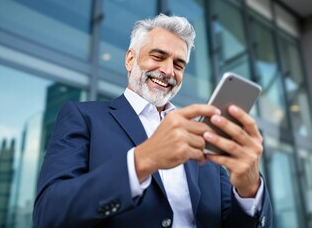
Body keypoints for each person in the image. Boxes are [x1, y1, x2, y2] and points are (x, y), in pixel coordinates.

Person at [33, 14, 272, 228]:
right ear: (130, 59)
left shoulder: (199, 138)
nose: (168, 71)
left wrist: (249, 190)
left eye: (179, 64)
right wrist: (143, 160)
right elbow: (49, 214)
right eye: (158, 56)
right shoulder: (84, 117)